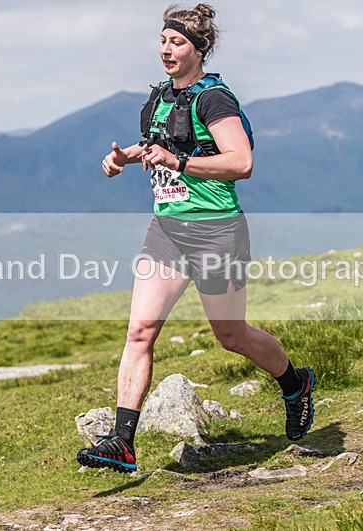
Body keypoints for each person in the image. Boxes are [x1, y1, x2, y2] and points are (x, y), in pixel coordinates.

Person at [77, 3, 315, 474]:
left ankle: (296, 384)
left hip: (216, 232)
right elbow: (160, 146)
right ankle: (122, 441)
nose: (166, 49)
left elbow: (240, 162)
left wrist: (178, 163)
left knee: (231, 335)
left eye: (177, 42)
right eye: (163, 40)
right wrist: (126, 157)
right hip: (167, 231)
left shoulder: (215, 100)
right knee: (140, 331)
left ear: (200, 48)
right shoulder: (163, 96)